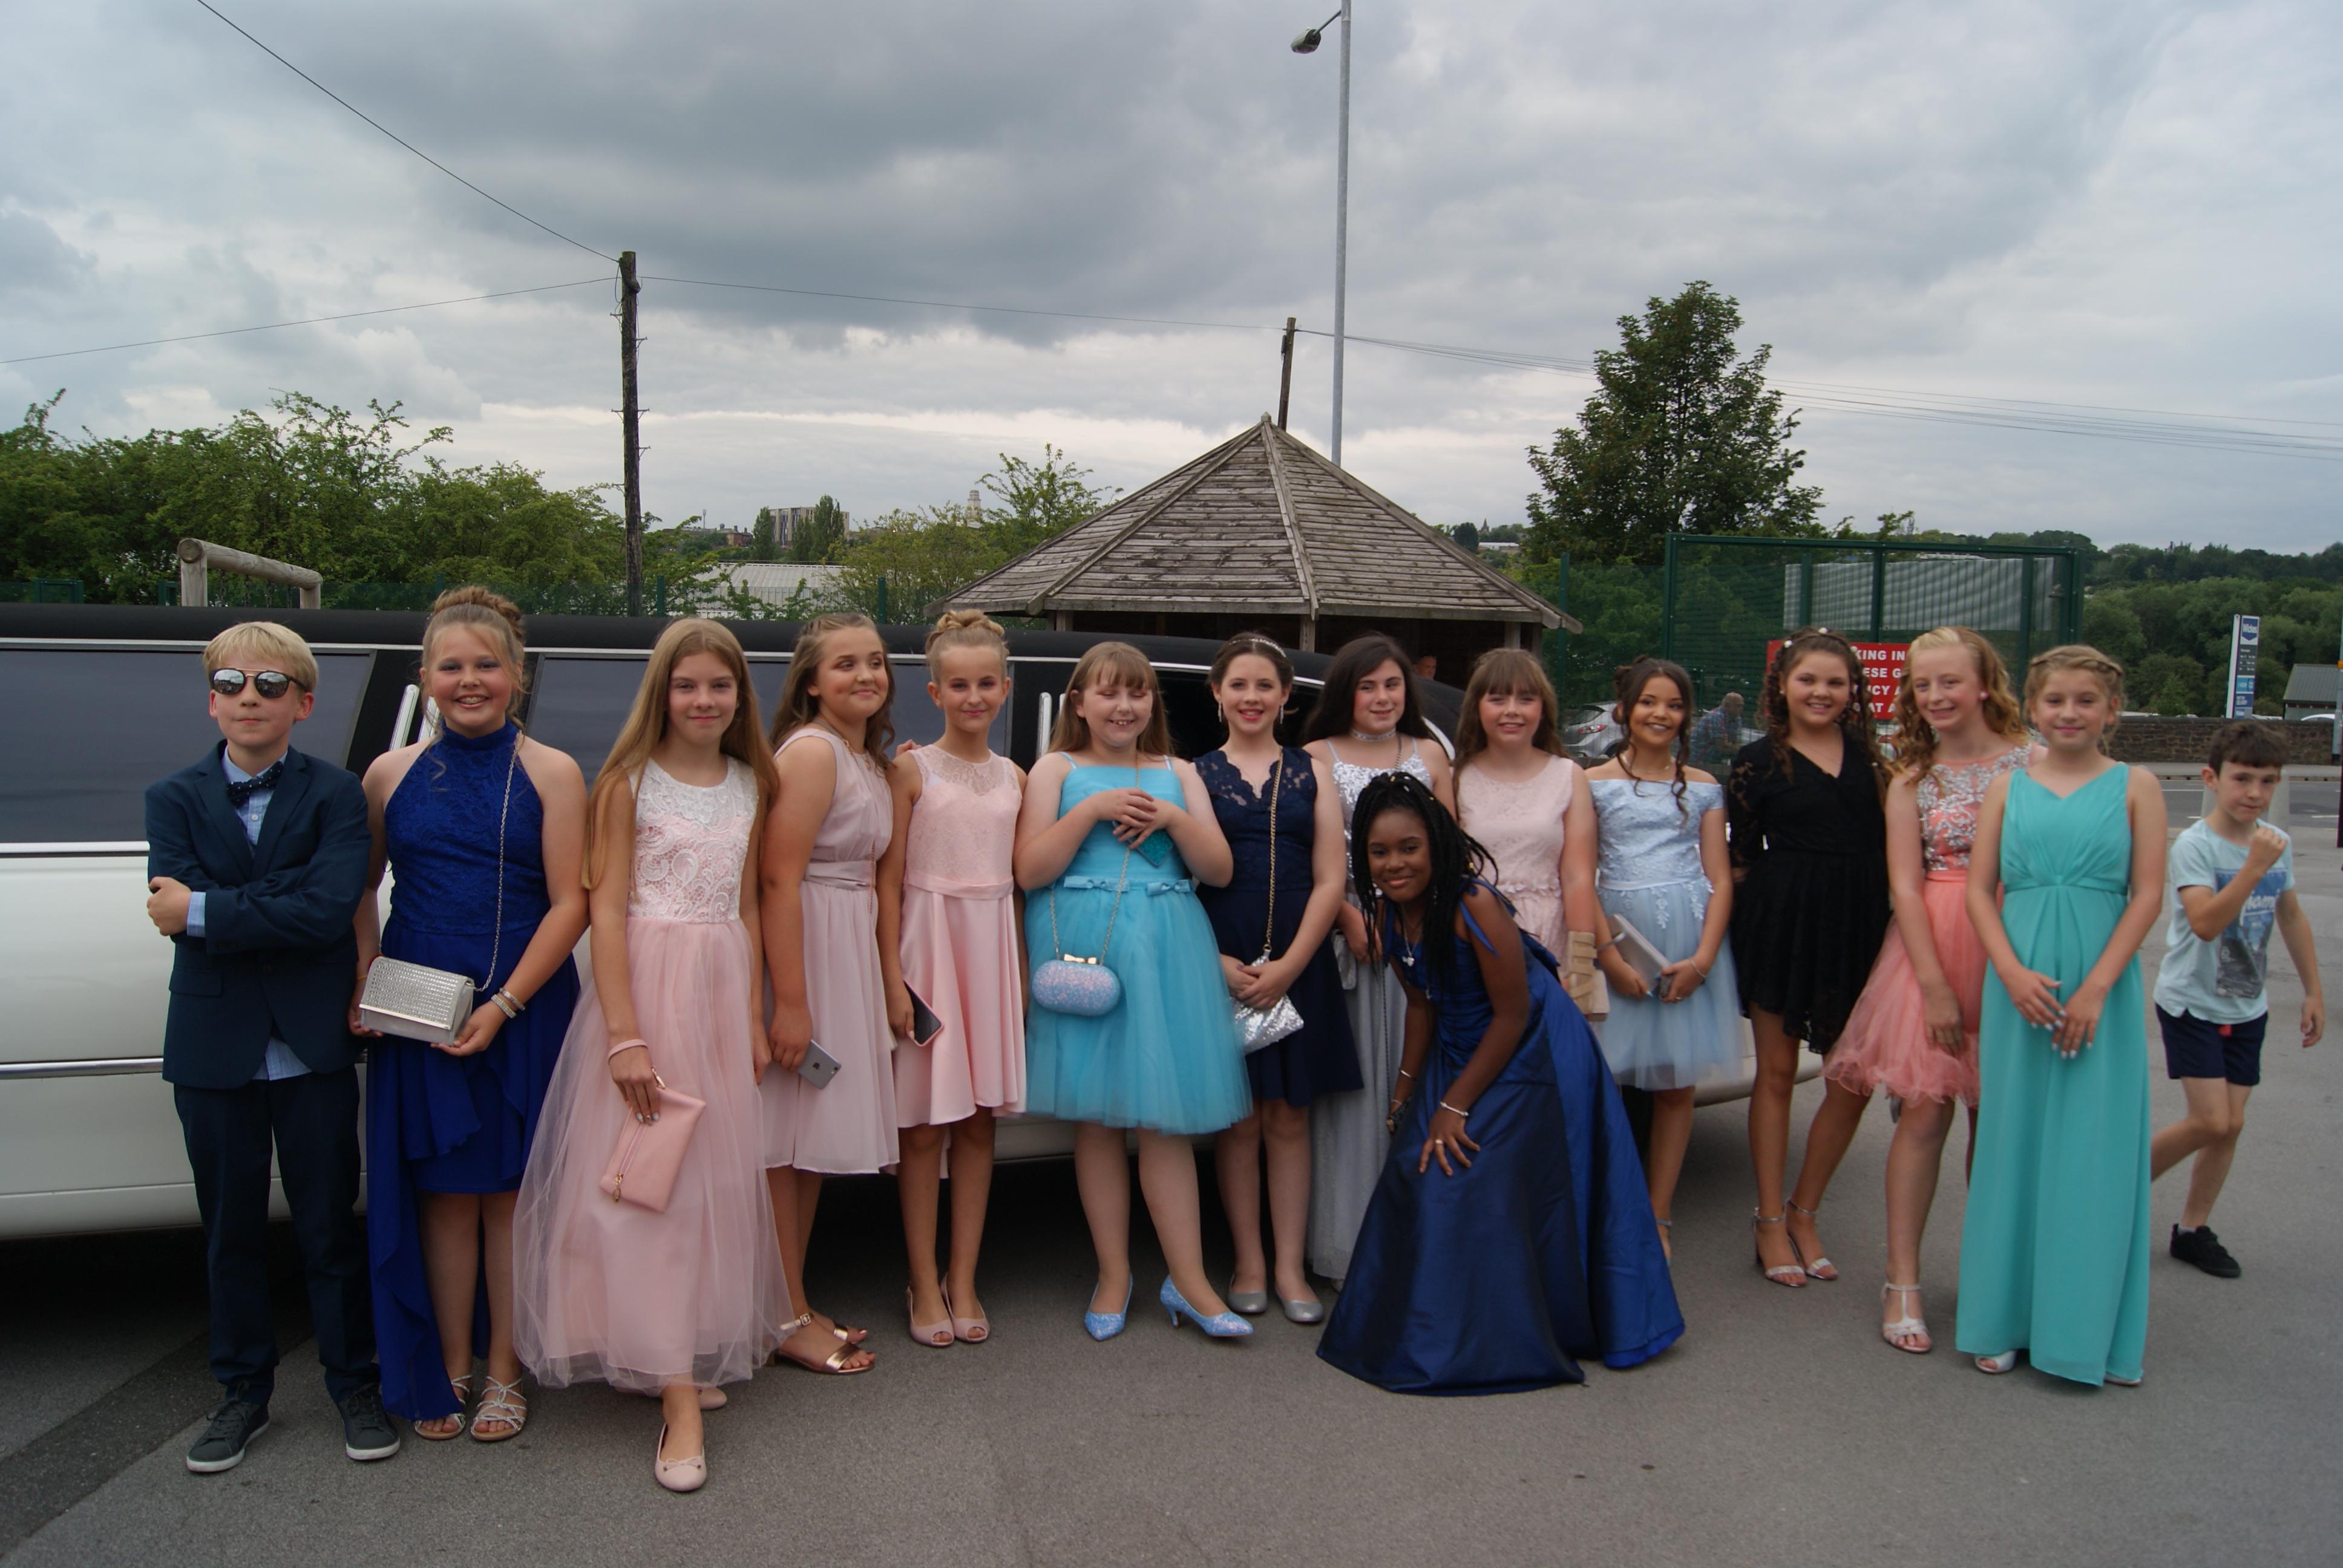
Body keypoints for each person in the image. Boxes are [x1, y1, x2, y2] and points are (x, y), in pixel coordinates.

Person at [513, 618, 787, 1491]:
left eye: (720, 685)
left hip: (719, 991)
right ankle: (674, 1395)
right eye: (687, 685)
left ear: (740, 696)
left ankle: (671, 1351)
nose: (704, 700)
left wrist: (752, 1017)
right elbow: (605, 911)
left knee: (705, 1183)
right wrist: (625, 1036)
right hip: (648, 993)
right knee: (646, 1185)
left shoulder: (752, 783)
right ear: (661, 694)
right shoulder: (627, 783)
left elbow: (746, 906)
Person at [1317, 774, 1682, 1394]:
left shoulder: (1473, 904)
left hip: (1533, 1050)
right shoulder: (1387, 911)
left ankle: (1492, 1338)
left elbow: (1513, 1014)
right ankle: (1421, 1328)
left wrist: (1454, 1105)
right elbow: (1421, 1007)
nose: (1394, 863)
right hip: (1458, 1048)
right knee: (1413, 1170)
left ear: (1435, 844)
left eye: (1408, 847)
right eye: (1379, 852)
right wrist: (1406, 1093)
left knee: (1465, 1172)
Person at [143, 621, 397, 1472]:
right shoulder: (171, 796)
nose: (248, 697)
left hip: (311, 1045)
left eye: (270, 684)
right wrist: (265, 902)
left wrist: (206, 908)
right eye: (230, 683)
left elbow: (328, 910)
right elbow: (170, 916)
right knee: (231, 1233)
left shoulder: (337, 794)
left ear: (304, 703)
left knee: (329, 1227)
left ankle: (354, 1385)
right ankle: (241, 1395)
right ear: (211, 701)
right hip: (212, 1045)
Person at [351, 589, 586, 1442]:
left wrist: (504, 1004)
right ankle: (449, 1364)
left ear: (516, 675)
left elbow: (571, 904)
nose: (470, 680)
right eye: (451, 666)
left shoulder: (553, 771)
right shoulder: (389, 773)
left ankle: (506, 1369)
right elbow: (360, 890)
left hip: (523, 1003)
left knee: (512, 1197)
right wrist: (365, 976)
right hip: (420, 1007)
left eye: (487, 664)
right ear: (426, 678)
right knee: (445, 1195)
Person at [1015, 642, 1253, 1340]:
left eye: (1138, 693)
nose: (1124, 707)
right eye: (1108, 693)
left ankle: (1189, 1280)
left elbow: (1218, 869)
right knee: (1096, 1120)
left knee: (1162, 1119)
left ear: (1153, 702)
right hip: (1085, 946)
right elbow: (1029, 870)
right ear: (1079, 703)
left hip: (1167, 949)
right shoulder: (1056, 769)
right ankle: (1113, 1274)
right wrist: (1090, 812)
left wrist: (1174, 821)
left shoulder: (1180, 772)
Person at [1958, 645, 2166, 1385]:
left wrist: (2097, 987)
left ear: (2111, 710)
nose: (2068, 713)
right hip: (2019, 988)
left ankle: (2081, 1332)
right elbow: (1978, 890)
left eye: (2085, 701)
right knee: (2011, 1145)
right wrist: (2009, 973)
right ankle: (2000, 1319)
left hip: (2096, 991)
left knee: (2090, 1152)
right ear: (2032, 709)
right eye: (2054, 701)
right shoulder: (2006, 787)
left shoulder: (2137, 785)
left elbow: (2147, 894)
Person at [1823, 627, 2030, 1352]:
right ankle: (1901, 1279)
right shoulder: (1913, 777)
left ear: (1984, 684)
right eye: (1921, 685)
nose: (1935, 696)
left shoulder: (2033, 764)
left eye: (1949, 681)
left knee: (1997, 1127)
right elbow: (1904, 888)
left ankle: (1992, 1282)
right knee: (1923, 1115)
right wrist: (1935, 988)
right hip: (1933, 948)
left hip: (2018, 947)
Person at [1195, 633, 1357, 1324]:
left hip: (1300, 957)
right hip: (1219, 958)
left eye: (1265, 685)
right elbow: (1176, 878)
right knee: (1237, 1120)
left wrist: (1290, 965)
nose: (1251, 697)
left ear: (1286, 696)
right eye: (1238, 684)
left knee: (1290, 1118)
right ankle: (1248, 1262)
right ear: (1217, 693)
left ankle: (1289, 1265)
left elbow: (1330, 879)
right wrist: (1212, 963)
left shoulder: (1311, 771)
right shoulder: (1193, 773)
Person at [879, 610, 1026, 1347]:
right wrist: (891, 978)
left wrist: (1019, 976)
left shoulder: (1016, 777)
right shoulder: (910, 770)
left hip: (989, 950)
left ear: (1005, 688)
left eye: (986, 684)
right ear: (934, 693)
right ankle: (919, 1276)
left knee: (976, 1124)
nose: (974, 697)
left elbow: (1019, 883)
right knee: (921, 1126)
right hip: (928, 948)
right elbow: (885, 884)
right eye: (958, 685)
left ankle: (962, 1277)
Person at [1728, 629, 1891, 1287]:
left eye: (1834, 682)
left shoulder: (1876, 760)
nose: (1821, 692)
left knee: (1854, 1080)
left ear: (1852, 691)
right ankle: (1769, 1220)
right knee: (1774, 1073)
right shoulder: (1754, 762)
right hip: (1781, 926)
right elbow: (1739, 862)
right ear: (1782, 687)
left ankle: (1804, 1210)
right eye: (1808, 680)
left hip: (1861, 928)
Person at [761, 613, 899, 1375]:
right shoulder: (812, 753)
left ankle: (792, 1300)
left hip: (843, 947)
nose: (866, 676)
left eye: (875, 661)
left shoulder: (863, 757)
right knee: (782, 1149)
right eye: (844, 665)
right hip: (807, 950)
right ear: (811, 683)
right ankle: (780, 1316)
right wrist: (790, 1002)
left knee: (807, 1145)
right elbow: (777, 879)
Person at [1299, 633, 1456, 1286]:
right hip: (1352, 939)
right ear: (1346, 692)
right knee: (1354, 1094)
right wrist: (1346, 913)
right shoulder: (1317, 756)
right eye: (1367, 686)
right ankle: (1349, 1245)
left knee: (1417, 1084)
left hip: (1421, 940)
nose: (1382, 697)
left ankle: (1419, 1245)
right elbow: (1313, 854)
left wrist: (1420, 923)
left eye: (1392, 685)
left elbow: (1450, 850)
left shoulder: (1430, 753)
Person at [2147, 720, 2325, 1278]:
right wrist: (2252, 869)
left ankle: (2192, 1230)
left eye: (2267, 781)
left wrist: (2313, 992)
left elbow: (2290, 916)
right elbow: (2204, 923)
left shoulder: (2276, 842)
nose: (2255, 792)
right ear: (2212, 778)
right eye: (2242, 778)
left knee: (2231, 1124)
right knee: (2209, 1120)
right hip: (2191, 1002)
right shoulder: (2195, 846)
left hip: (2247, 1004)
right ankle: (2113, 1191)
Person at [1583, 657, 1739, 1261]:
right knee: (1603, 1081)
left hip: (1684, 943)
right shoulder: (1592, 783)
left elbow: (1719, 879)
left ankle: (1659, 1213)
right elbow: (1581, 874)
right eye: (1649, 701)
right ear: (1625, 709)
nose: (1661, 714)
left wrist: (1702, 960)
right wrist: (1607, 956)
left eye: (1674, 705)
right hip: (1617, 942)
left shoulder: (1703, 786)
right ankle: (1606, 1208)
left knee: (1675, 1086)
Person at [1452, 649, 1604, 1015]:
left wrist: (1580, 966)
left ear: (1543, 708)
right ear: (1477, 707)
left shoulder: (1568, 776)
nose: (1512, 710)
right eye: (1498, 699)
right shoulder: (1455, 777)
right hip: (1478, 937)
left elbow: (1578, 876)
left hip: (1549, 938)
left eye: (1525, 699)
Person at [1688, 691, 1745, 769]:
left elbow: (1738, 744)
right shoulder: (1716, 717)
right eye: (1738, 706)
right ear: (1727, 706)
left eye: (1742, 706)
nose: (1741, 709)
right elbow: (1721, 747)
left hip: (1715, 760)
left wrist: (1730, 746)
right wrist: (1733, 747)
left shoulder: (1737, 719)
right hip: (1699, 760)